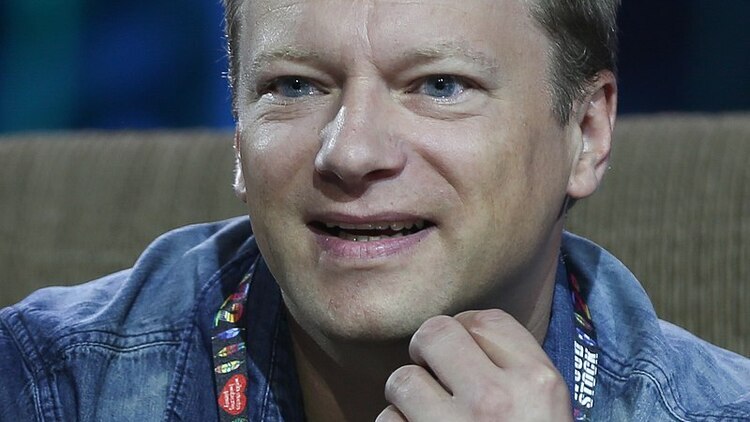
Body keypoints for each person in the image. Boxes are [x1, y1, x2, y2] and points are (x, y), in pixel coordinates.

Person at [1, 0, 748, 420]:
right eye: (294, 86)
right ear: (238, 137)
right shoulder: (47, 385)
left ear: (586, 133)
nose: (351, 151)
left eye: (440, 85)